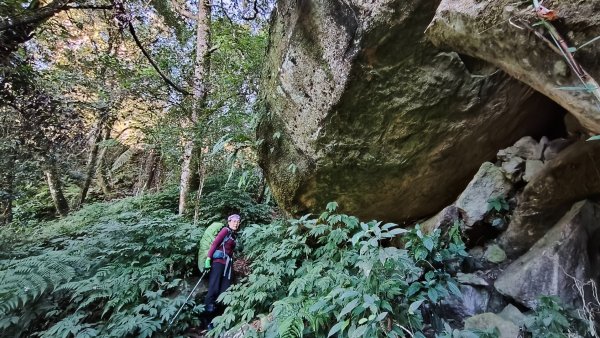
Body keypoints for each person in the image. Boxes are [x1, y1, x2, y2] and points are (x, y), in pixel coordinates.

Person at [203, 213, 241, 328]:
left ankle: (218, 321)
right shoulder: (225, 230)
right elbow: (215, 244)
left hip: (227, 266)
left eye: (238, 222)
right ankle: (207, 321)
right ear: (229, 222)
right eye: (233, 221)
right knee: (213, 289)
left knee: (224, 292)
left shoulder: (233, 235)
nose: (236, 223)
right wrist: (208, 259)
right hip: (218, 263)